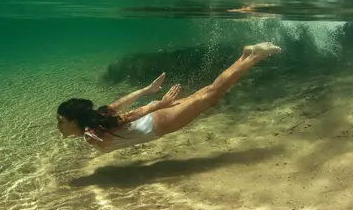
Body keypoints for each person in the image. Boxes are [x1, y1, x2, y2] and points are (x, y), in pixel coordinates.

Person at [56, 42, 282, 153]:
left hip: (158, 121)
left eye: (61, 120)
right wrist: (146, 91)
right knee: (206, 91)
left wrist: (159, 106)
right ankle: (245, 54)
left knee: (211, 95)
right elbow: (118, 106)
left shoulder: (91, 135)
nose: (58, 125)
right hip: (155, 114)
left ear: (74, 120)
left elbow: (125, 117)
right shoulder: (97, 119)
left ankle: (256, 56)